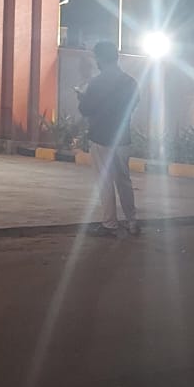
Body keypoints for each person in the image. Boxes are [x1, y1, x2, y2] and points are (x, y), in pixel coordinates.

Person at [77, 40, 140, 238]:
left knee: (105, 182)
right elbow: (133, 104)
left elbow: (86, 109)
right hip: (123, 137)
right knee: (124, 181)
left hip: (101, 137)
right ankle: (132, 221)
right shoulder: (130, 82)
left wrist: (82, 97)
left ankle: (110, 224)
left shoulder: (96, 83)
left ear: (100, 59)